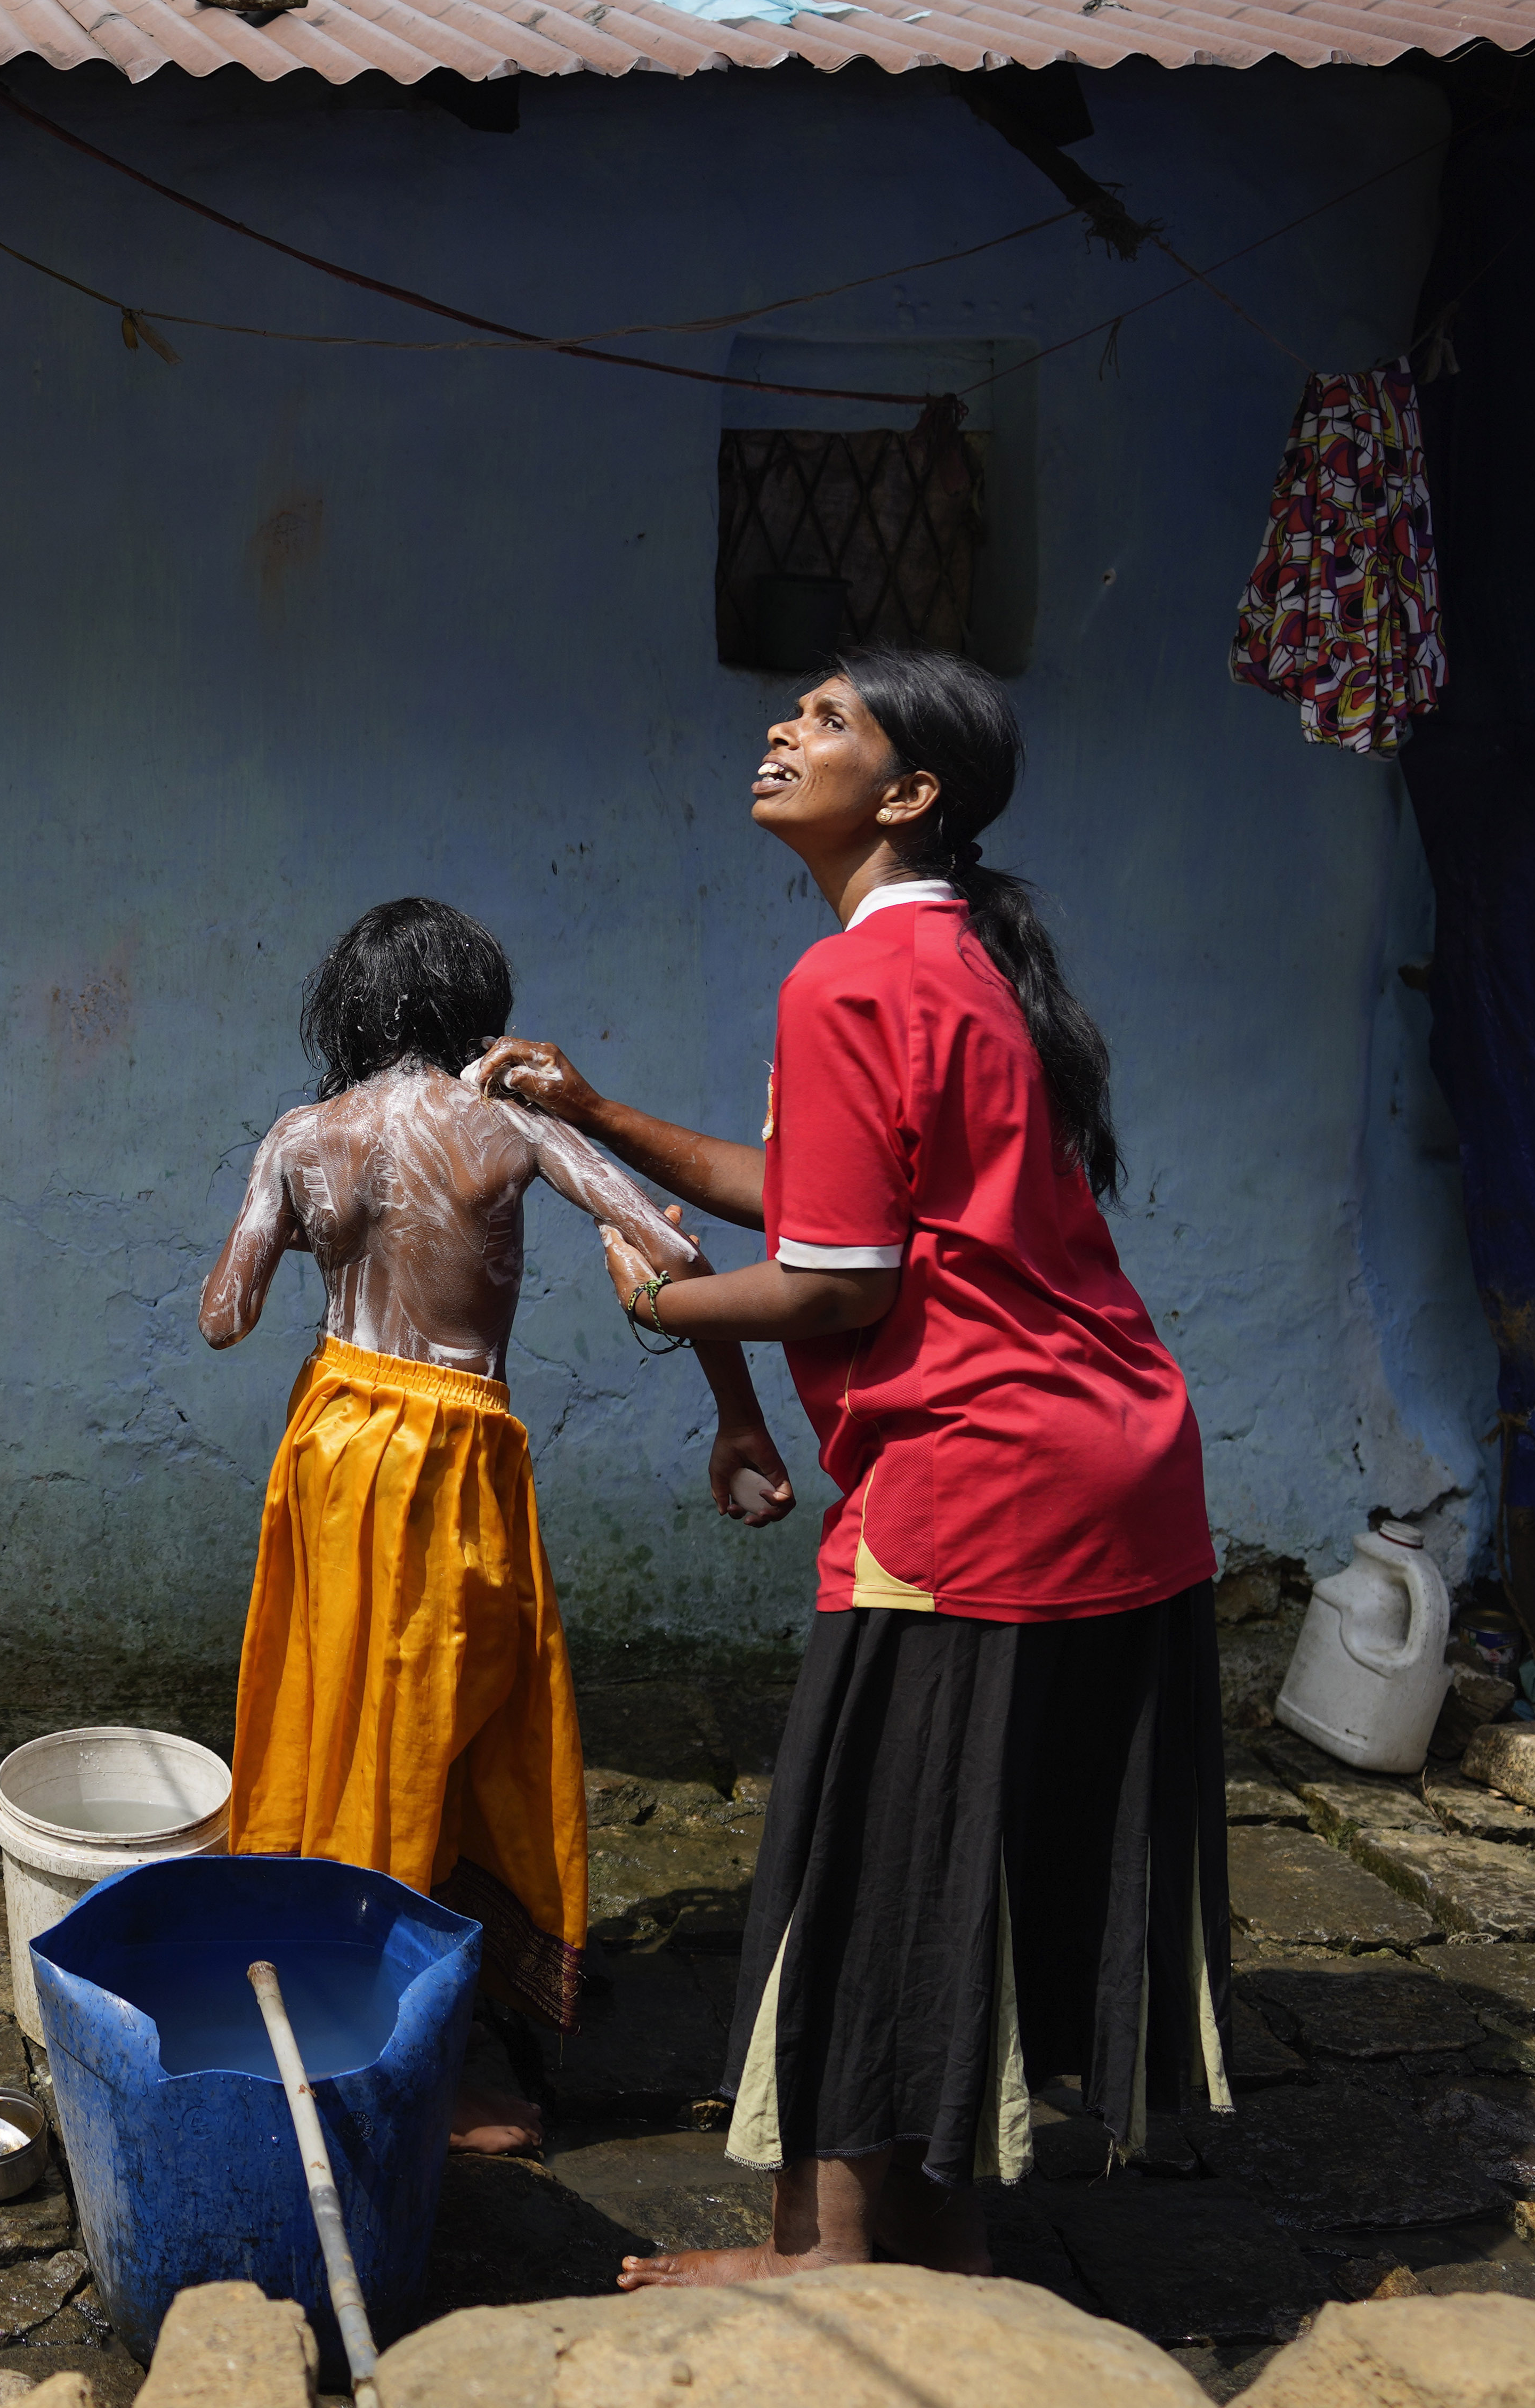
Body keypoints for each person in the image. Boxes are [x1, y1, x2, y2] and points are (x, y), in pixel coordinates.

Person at [474, 650, 1227, 2284]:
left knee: (872, 1873)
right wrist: (603, 1116)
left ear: (908, 795)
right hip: (1113, 1469)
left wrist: (665, 1300)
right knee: (931, 1874)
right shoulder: (955, 958)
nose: (781, 730)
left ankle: (837, 2269)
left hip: (983, 1491)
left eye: (825, 721)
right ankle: (877, 2249)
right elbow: (820, 1197)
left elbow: (840, 1280)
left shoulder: (845, 985)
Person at [201, 898, 794, 2153]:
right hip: (450, 1447)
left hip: (328, 1444)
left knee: (329, 1714)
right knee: (443, 1736)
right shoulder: (508, 1123)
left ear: (349, 1011)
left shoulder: (300, 1136)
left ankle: (322, 1995)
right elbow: (659, 1242)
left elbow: (224, 1316)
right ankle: (420, 2068)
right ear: (474, 1010)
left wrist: (309, 1212)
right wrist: (727, 1401)